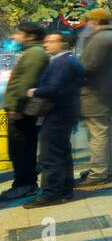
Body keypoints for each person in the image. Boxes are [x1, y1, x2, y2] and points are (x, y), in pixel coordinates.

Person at [26, 31, 84, 208]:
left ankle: (50, 194)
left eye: (51, 41)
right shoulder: (69, 60)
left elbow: (54, 88)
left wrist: (34, 91)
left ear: (63, 43)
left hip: (56, 114)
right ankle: (65, 189)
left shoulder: (62, 62)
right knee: (62, 153)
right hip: (64, 113)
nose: (46, 44)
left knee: (51, 155)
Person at [77, 7, 112, 186]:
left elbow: (86, 66)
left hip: (93, 94)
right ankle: (108, 170)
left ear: (94, 22)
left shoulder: (98, 39)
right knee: (109, 133)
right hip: (110, 91)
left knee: (97, 134)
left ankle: (98, 173)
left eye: (88, 21)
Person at [0, 23, 49, 201]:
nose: (15, 36)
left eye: (19, 33)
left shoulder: (35, 54)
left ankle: (25, 185)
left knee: (21, 149)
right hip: (21, 109)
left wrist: (16, 107)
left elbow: (26, 83)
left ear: (30, 36)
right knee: (20, 149)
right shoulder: (31, 53)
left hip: (23, 111)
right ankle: (24, 183)